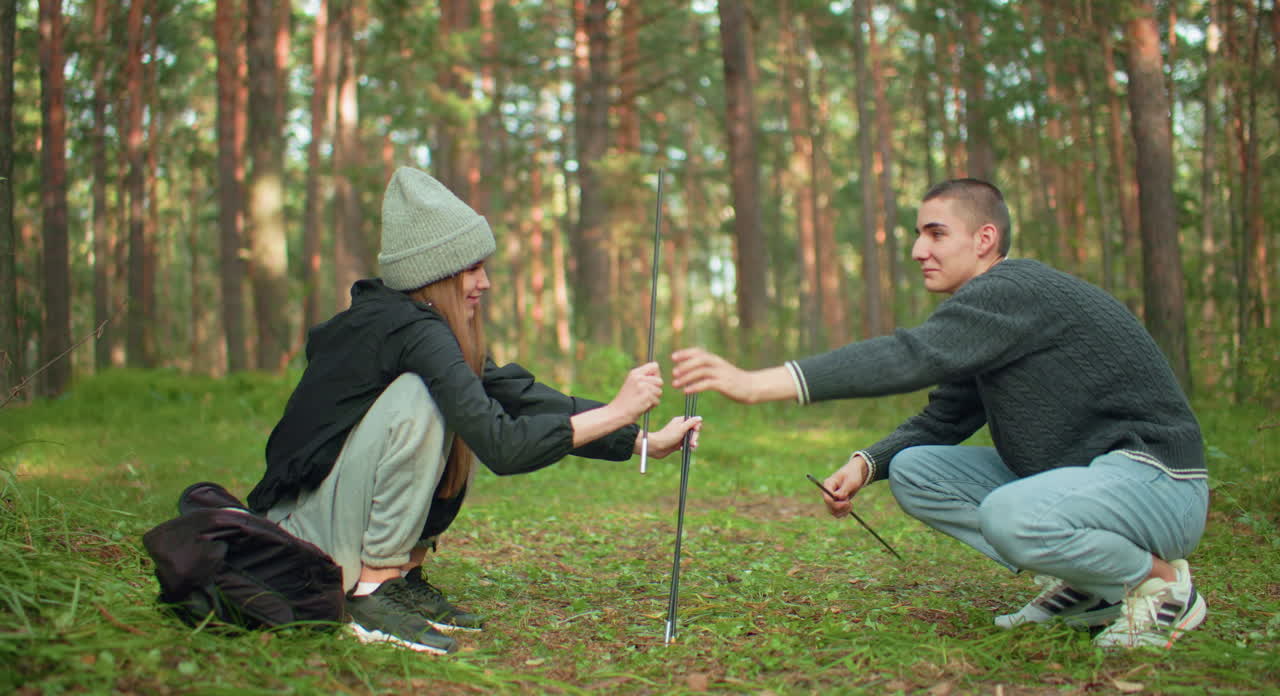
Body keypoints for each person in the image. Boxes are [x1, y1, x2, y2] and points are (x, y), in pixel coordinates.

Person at [670, 178, 1208, 650]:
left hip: (1159, 484)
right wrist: (866, 464)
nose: (917, 249)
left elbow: (911, 355)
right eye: (918, 233)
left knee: (1010, 515)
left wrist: (755, 383)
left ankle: (1162, 586)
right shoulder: (993, 317)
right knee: (915, 471)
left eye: (934, 233)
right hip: (1090, 487)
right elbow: (943, 418)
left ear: (984, 239)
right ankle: (1096, 589)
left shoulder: (1012, 290)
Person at [246, 166, 700, 655]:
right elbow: (503, 447)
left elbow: (522, 397)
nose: (484, 282)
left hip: (330, 517)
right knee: (428, 402)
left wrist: (639, 439)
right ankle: (372, 592)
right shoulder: (406, 329)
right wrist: (614, 411)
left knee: (461, 403)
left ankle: (403, 576)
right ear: (436, 271)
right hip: (299, 534)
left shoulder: (419, 326)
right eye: (472, 268)